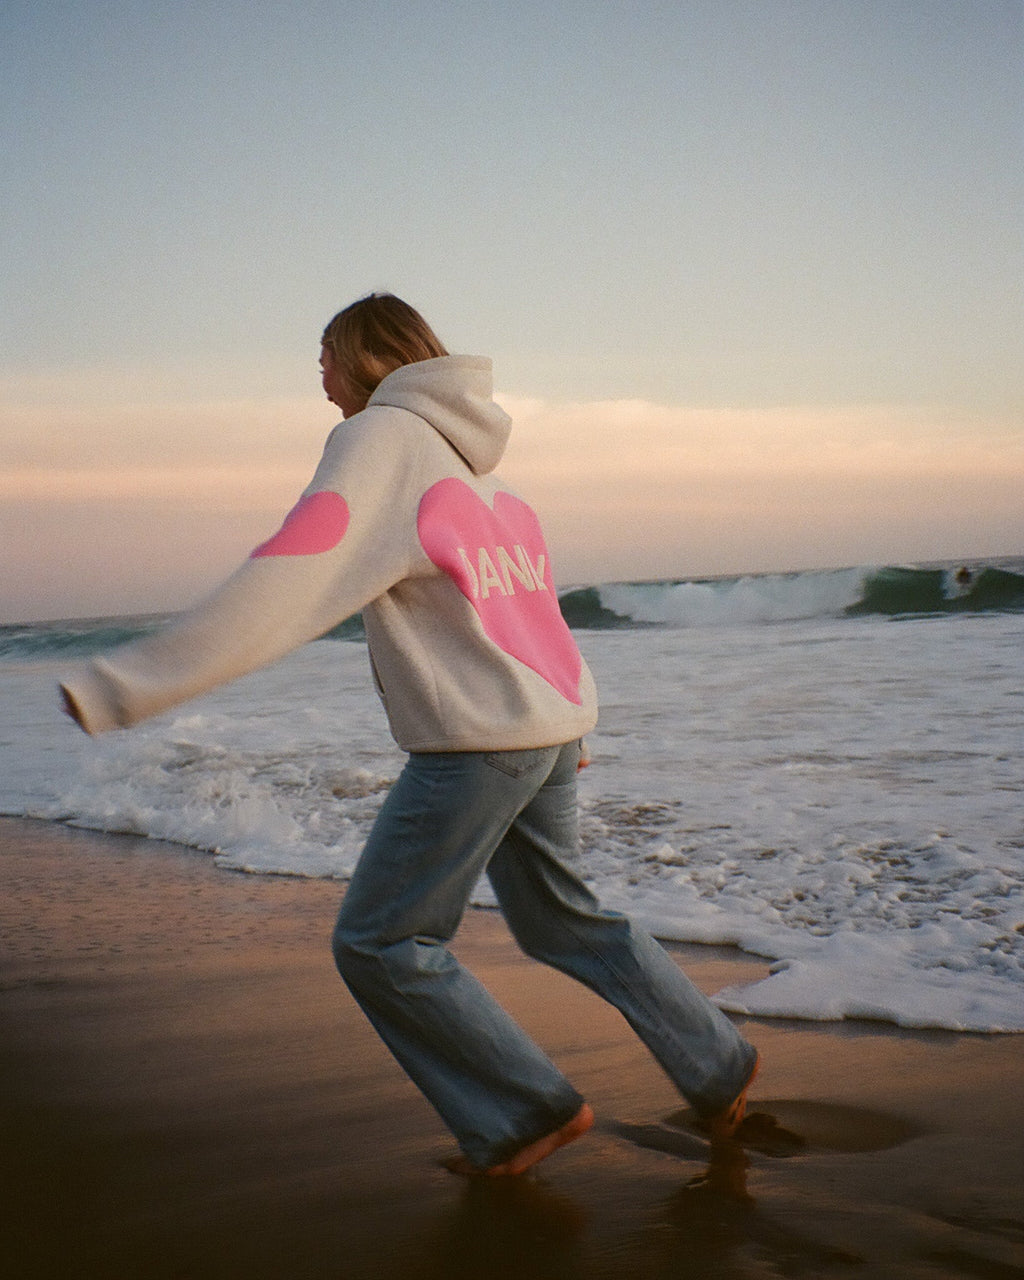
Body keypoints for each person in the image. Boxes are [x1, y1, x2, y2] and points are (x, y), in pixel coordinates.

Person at [60, 292, 759, 1176]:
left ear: (365, 356)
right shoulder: (479, 466)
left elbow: (290, 573)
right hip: (546, 731)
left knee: (382, 942)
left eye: (324, 353)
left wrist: (132, 681)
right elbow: (532, 609)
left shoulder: (377, 441)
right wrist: (574, 718)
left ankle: (523, 1111)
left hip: (477, 744)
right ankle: (718, 1061)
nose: (317, 374)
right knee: (565, 920)